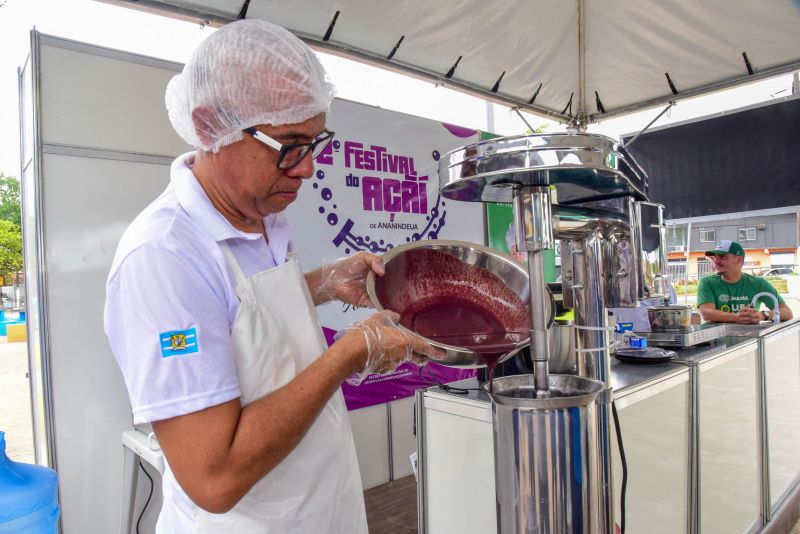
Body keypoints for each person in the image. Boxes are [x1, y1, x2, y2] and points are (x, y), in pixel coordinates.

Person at [103, 20, 442, 533]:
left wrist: (323, 282)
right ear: (208, 127)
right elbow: (214, 479)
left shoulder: (261, 219)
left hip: (318, 509)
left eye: (314, 142)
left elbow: (240, 317)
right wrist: (349, 354)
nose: (306, 168)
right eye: (289, 143)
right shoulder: (165, 258)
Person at [697, 240, 793, 324]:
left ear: (739, 259)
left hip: (749, 341)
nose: (716, 262)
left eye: (722, 257)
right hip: (717, 341)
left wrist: (762, 315)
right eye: (715, 258)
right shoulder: (707, 282)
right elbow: (707, 313)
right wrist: (737, 317)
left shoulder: (758, 283)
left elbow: (787, 312)